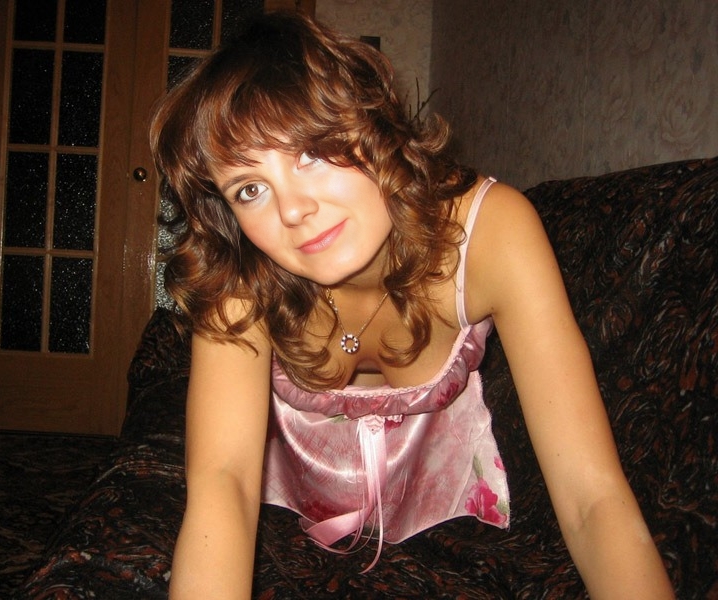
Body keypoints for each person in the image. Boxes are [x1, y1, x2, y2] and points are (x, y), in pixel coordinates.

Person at [150, 12, 673, 600]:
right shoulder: (240, 270)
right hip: (290, 511)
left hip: (445, 506)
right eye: (249, 188)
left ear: (374, 124)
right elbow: (224, 484)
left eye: (312, 152)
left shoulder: (492, 232)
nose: (292, 210)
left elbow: (592, 497)